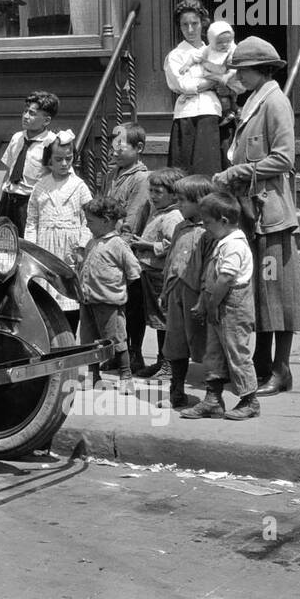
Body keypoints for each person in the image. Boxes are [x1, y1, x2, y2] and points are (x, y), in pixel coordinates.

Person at [212, 37, 300, 395]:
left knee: (278, 295)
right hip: (250, 213)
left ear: (259, 70)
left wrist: (238, 172)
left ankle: (281, 370)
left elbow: (285, 159)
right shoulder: (253, 101)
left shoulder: (275, 102)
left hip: (271, 214)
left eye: (242, 70)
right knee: (260, 295)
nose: (238, 75)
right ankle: (262, 364)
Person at [182, 190, 259, 420]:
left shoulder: (234, 245)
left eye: (207, 223)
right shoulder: (222, 242)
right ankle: (213, 400)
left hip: (232, 308)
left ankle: (250, 400)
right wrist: (204, 302)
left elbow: (225, 279)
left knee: (237, 353)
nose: (205, 227)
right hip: (218, 307)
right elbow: (212, 278)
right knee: (214, 354)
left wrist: (212, 305)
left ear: (223, 221)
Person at [24, 132, 91, 334]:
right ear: (48, 160)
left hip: (69, 247)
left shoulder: (79, 186)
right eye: (58, 159)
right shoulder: (40, 187)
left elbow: (88, 219)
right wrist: (31, 248)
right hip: (45, 246)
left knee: (69, 296)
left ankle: (68, 336)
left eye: (68, 159)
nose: (64, 164)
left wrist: (81, 246)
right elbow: (32, 220)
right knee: (47, 293)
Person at [158, 173, 213, 409]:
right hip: (175, 290)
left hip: (196, 294)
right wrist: (164, 291)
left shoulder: (208, 232)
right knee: (175, 342)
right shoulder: (180, 227)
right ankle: (176, 389)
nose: (178, 205)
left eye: (182, 201)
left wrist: (204, 297)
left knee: (204, 343)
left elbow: (211, 268)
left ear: (200, 201)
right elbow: (170, 260)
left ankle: (212, 393)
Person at [127, 166, 186, 376]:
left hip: (160, 275)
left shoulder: (172, 217)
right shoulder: (158, 213)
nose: (152, 196)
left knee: (164, 321)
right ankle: (162, 361)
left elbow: (173, 243)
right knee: (157, 320)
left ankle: (168, 364)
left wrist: (148, 245)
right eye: (151, 191)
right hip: (150, 274)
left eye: (158, 192)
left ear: (173, 194)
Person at [76, 195, 141, 387]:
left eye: (90, 222)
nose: (87, 226)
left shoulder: (118, 244)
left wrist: (118, 292)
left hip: (109, 303)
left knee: (116, 340)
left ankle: (126, 376)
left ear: (105, 222)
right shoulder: (91, 243)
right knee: (89, 342)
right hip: (88, 301)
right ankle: (93, 376)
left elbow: (134, 272)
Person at [105, 122, 151, 372]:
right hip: (109, 246)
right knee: (115, 307)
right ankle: (117, 351)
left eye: (120, 146)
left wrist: (118, 245)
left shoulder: (142, 178)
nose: (115, 150)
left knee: (133, 306)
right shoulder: (112, 175)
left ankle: (135, 353)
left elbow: (133, 218)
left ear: (139, 148)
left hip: (128, 250)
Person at [164, 0, 224, 175]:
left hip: (212, 112)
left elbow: (230, 75)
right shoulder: (175, 56)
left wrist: (221, 81)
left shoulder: (215, 51)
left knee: (209, 169)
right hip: (187, 115)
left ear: (203, 23)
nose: (190, 29)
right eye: (185, 25)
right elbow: (184, 85)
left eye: (194, 23)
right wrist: (215, 80)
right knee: (184, 172)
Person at [0, 90, 60, 232]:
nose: (25, 116)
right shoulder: (17, 138)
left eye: (32, 113)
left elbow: (58, 181)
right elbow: (8, 171)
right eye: (25, 111)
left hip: (30, 203)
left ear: (46, 121)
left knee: (28, 247)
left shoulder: (52, 143)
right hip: (8, 199)